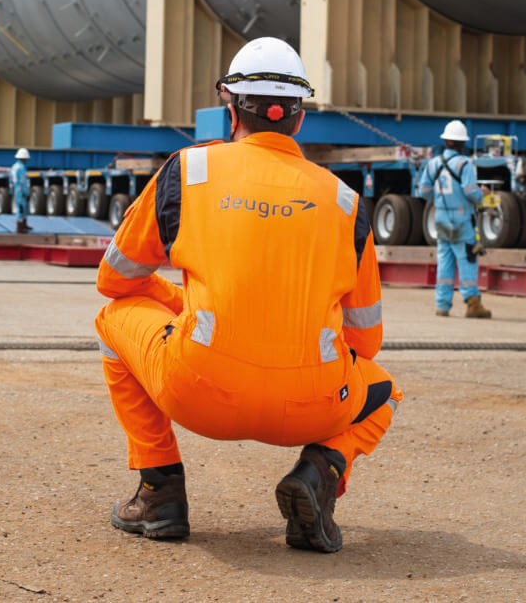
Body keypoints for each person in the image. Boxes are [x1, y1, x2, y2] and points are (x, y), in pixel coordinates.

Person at [93, 37, 402, 553]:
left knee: (113, 319)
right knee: (384, 391)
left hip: (198, 391)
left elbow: (115, 280)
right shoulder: (346, 202)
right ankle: (320, 472)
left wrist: (178, 301)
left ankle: (159, 490)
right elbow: (365, 342)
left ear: (229, 108)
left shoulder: (188, 172)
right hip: (312, 406)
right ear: (298, 119)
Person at [415, 121, 492, 319]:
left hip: (441, 217)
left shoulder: (433, 163)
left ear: (446, 141)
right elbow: (469, 191)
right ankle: (473, 303)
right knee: (467, 259)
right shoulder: (465, 164)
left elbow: (423, 191)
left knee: (445, 262)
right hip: (460, 219)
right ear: (461, 144)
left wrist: (440, 200)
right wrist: (481, 194)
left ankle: (442, 305)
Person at [10, 148, 31, 234]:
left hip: (16, 189)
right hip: (21, 190)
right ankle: (20, 227)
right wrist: (27, 192)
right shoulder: (21, 168)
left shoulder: (14, 167)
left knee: (21, 207)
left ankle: (23, 225)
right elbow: (23, 181)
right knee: (22, 208)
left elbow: (11, 179)